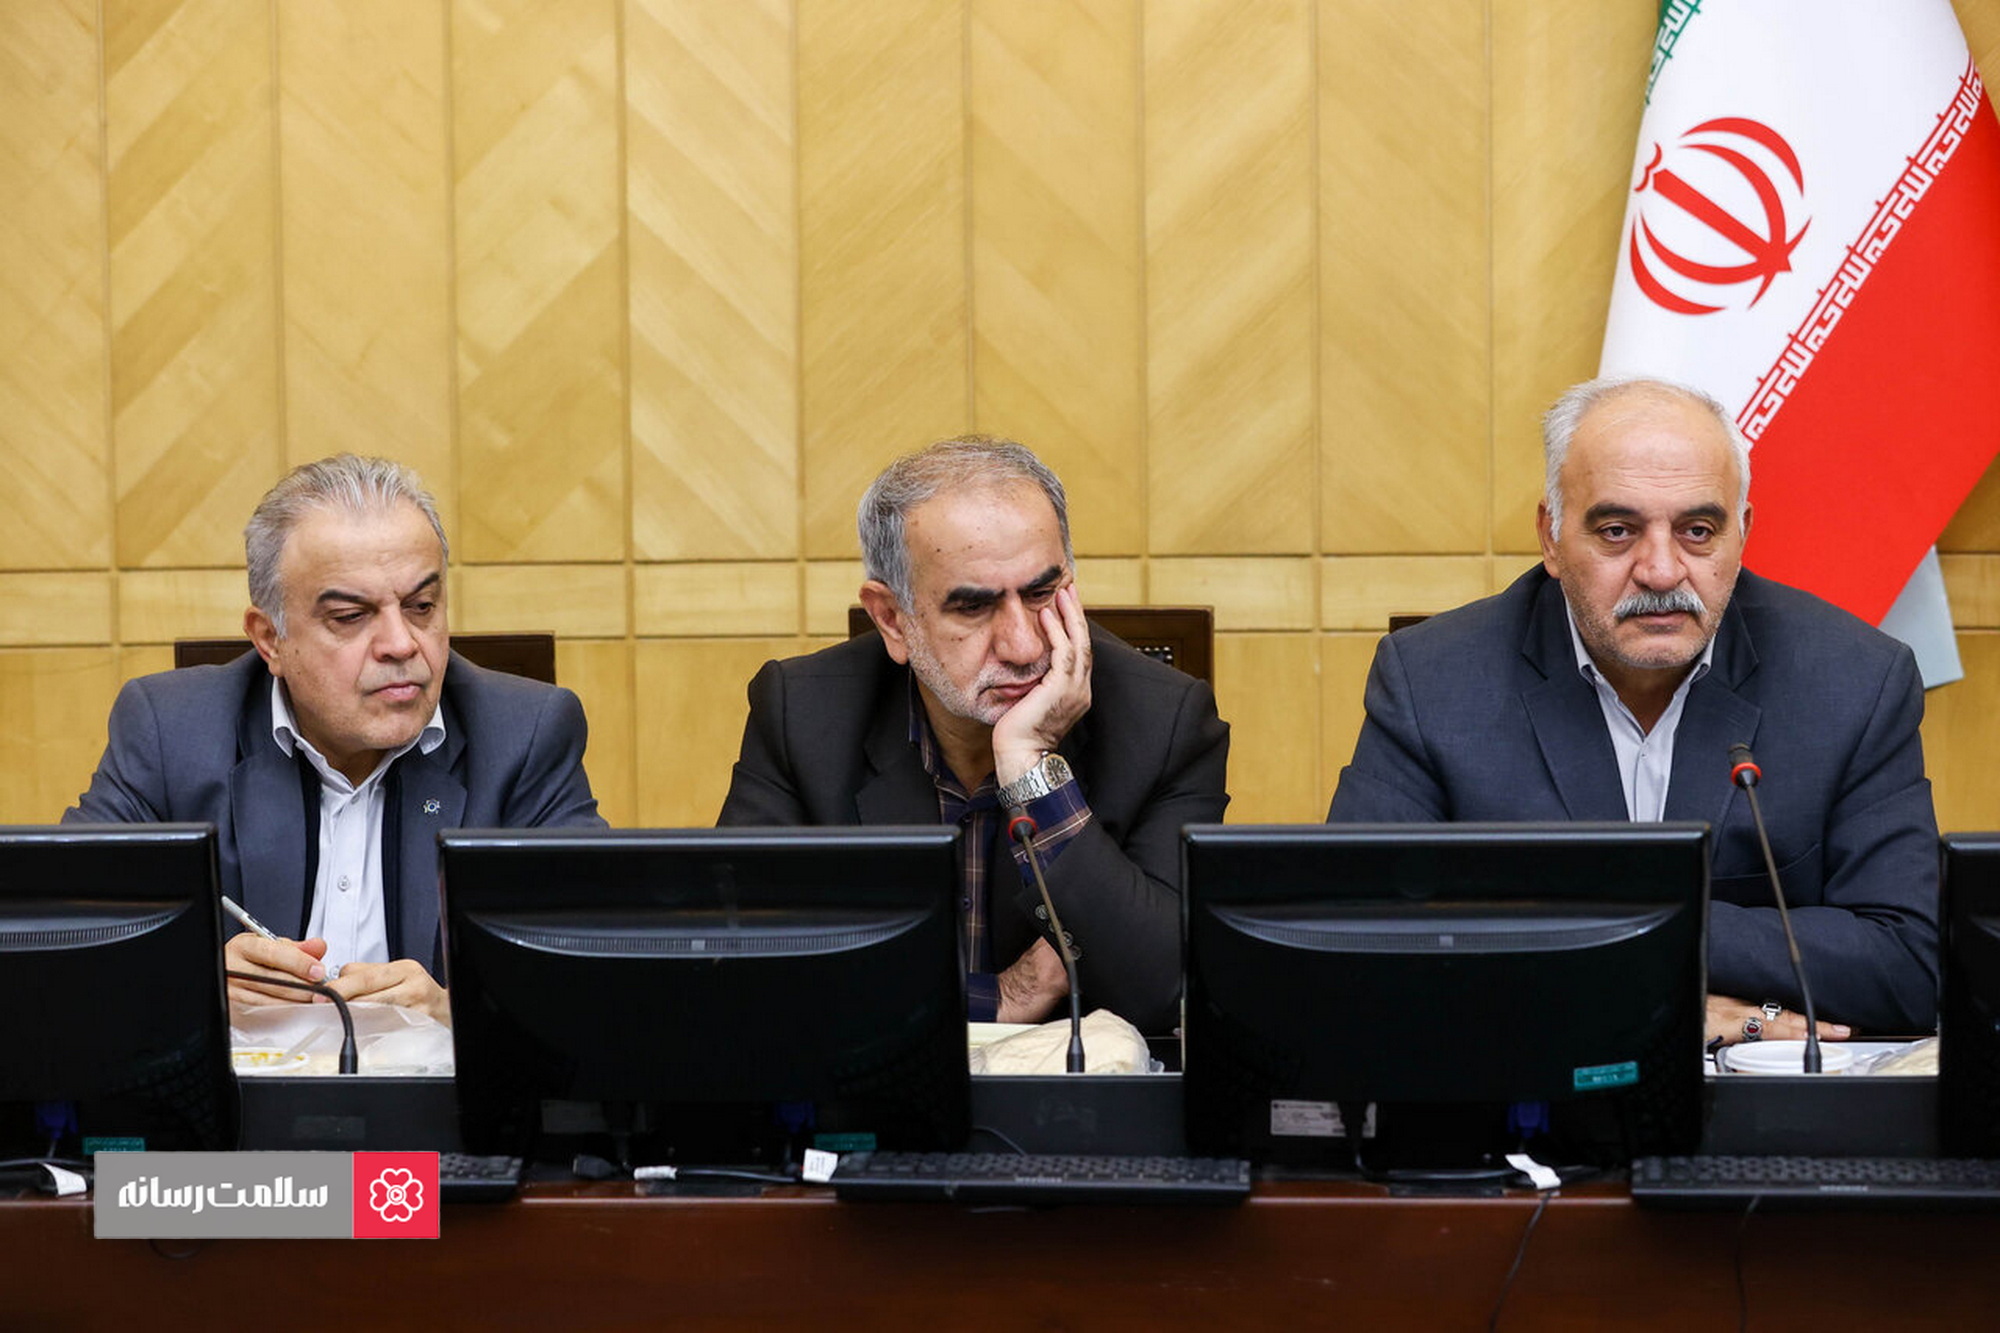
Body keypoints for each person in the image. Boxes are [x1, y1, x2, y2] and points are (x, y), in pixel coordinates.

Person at [1327, 377, 1938, 1045]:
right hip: (1530, 1091)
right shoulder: (1433, 682)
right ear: (1552, 537)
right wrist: (1643, 1004)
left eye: (1697, 531)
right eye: (1617, 531)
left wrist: (1639, 930)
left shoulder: (1854, 681)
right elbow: (1356, 946)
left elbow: (1910, 962)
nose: (1661, 571)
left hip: (1764, 1101)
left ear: (1742, 534)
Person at [66, 455, 604, 1022]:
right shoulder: (169, 732)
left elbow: (593, 971)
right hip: (243, 1081)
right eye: (350, 616)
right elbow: (70, 936)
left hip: (440, 1082)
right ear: (269, 639)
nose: (401, 644)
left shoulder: (526, 736)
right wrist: (190, 983)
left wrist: (456, 1013)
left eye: (422, 607)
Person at [719, 436, 1229, 1034]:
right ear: (892, 619)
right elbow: (743, 969)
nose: (1024, 646)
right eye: (973, 608)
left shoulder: (1165, 720)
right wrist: (1006, 996)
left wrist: (1032, 769)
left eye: (1041, 593)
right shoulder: (802, 713)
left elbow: (1167, 991)